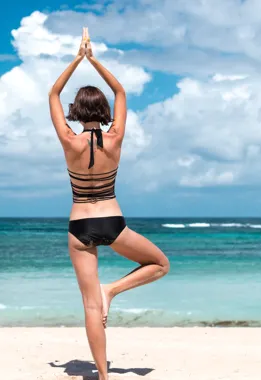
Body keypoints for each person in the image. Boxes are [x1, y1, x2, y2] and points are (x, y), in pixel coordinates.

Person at [48, 27, 170, 380]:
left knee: (89, 306)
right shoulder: (115, 138)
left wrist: (76, 58)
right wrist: (94, 58)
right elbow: (120, 90)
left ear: (76, 111)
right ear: (103, 110)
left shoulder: (69, 141)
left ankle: (102, 375)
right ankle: (113, 289)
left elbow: (53, 92)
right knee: (160, 264)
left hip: (78, 226)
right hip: (112, 223)